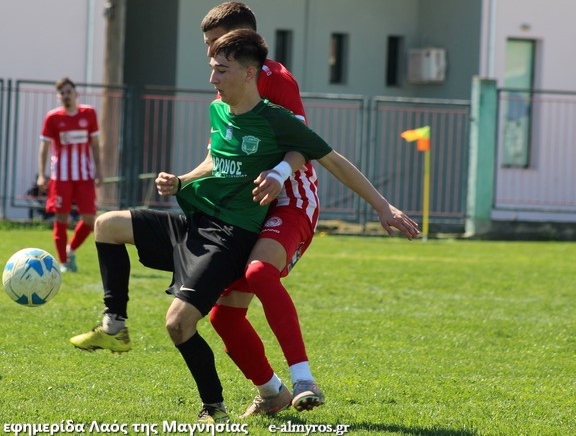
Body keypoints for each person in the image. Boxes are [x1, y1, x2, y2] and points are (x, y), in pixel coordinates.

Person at [69, 29, 419, 422]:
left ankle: (218, 407)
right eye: (212, 68)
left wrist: (382, 206)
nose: (212, 78)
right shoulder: (217, 110)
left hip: (227, 237)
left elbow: (332, 159)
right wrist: (181, 182)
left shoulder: (276, 119)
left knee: (179, 323)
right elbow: (215, 161)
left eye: (221, 70)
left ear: (250, 73)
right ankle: (115, 325)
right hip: (195, 221)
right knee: (107, 225)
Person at [197, 1, 328, 415]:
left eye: (216, 42)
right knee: (223, 318)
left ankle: (304, 379)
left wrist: (278, 173)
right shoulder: (225, 85)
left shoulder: (275, 79)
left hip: (291, 197)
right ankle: (272, 392)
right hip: (248, 206)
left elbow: (304, 147)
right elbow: (220, 157)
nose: (210, 54)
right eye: (208, 45)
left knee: (259, 272)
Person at [37, 77, 102, 272]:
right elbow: (44, 147)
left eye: (69, 92)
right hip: (61, 177)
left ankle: (70, 249)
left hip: (84, 176)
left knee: (90, 219)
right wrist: (42, 174)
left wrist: (99, 171)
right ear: (59, 97)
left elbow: (95, 145)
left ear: (76, 94)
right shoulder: (53, 117)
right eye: (62, 93)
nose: (66, 96)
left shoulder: (89, 113)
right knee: (61, 219)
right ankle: (63, 262)